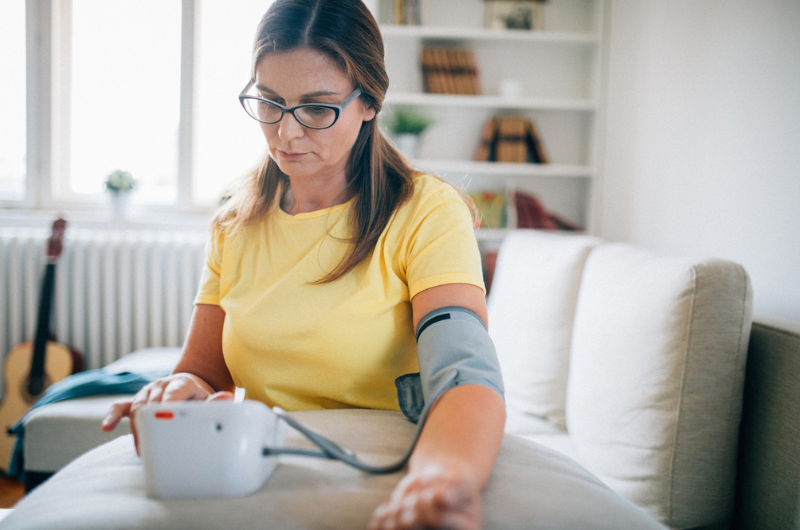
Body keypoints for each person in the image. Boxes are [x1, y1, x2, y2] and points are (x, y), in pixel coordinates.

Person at [101, 1, 506, 528]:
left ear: (369, 101)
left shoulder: (427, 211)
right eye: (270, 102)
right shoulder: (234, 224)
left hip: (377, 462)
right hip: (256, 469)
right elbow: (203, 370)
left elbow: (464, 369)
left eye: (317, 108)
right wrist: (181, 391)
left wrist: (441, 473)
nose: (286, 134)